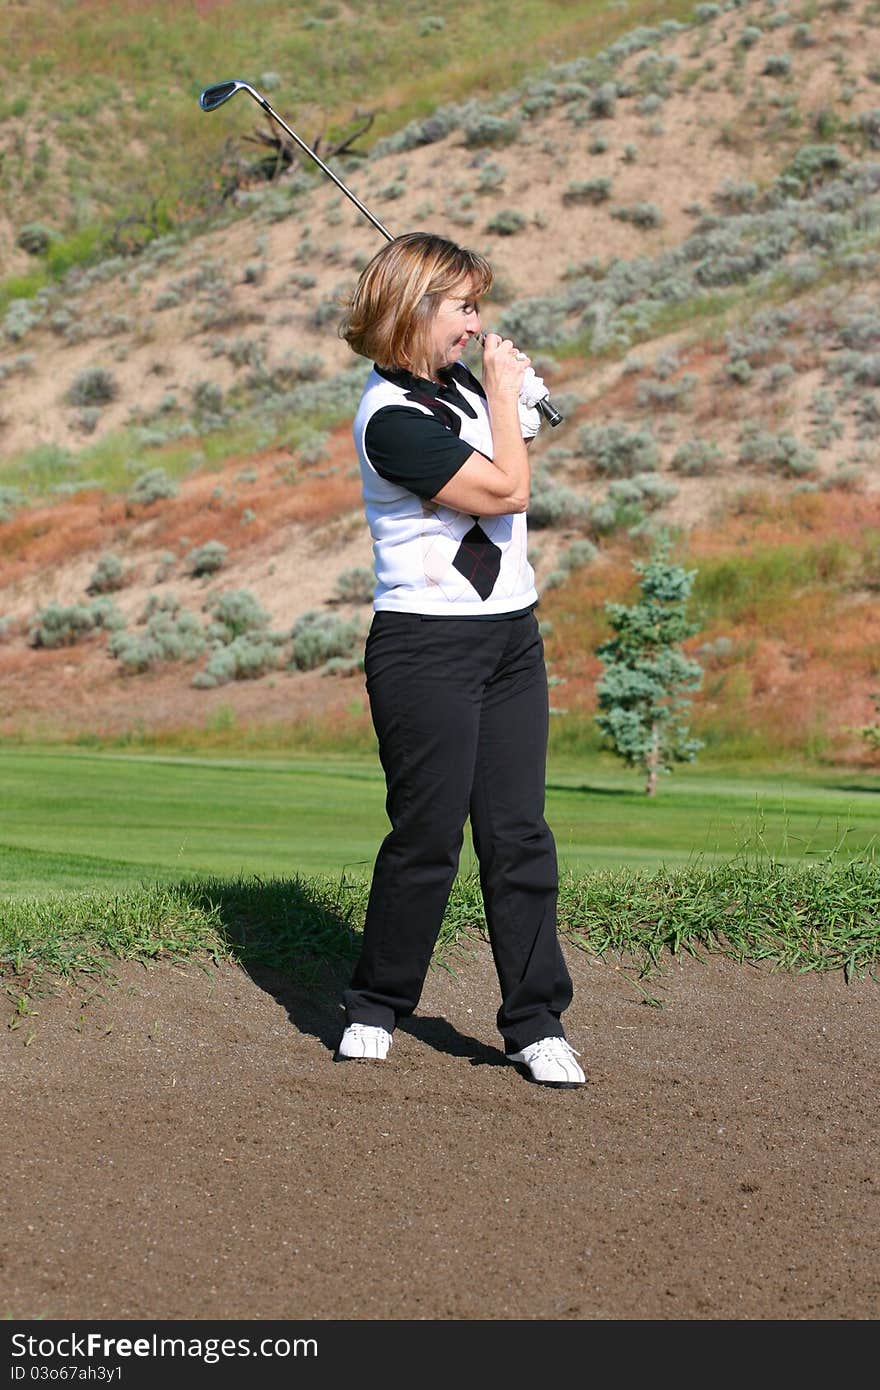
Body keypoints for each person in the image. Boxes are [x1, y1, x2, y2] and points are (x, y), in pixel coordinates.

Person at [334, 231, 584, 1089]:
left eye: (478, 308)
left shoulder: (462, 388)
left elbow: (505, 457)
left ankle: (535, 1021)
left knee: (518, 835)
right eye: (463, 308)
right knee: (429, 837)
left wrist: (514, 403)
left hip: (512, 637)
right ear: (415, 311)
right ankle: (377, 1003)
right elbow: (506, 491)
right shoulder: (389, 420)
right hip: (425, 648)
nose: (476, 326)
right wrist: (512, 399)